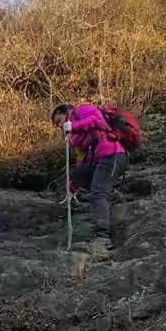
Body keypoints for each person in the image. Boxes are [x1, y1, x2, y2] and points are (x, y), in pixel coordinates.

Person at [52, 103, 128, 253]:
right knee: (77, 173)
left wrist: (74, 126)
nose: (58, 125)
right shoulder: (74, 135)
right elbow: (82, 159)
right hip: (100, 159)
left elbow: (97, 120)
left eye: (58, 120)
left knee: (98, 193)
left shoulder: (81, 110)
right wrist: (72, 187)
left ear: (65, 112)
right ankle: (109, 196)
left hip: (112, 154)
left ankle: (103, 237)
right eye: (56, 125)